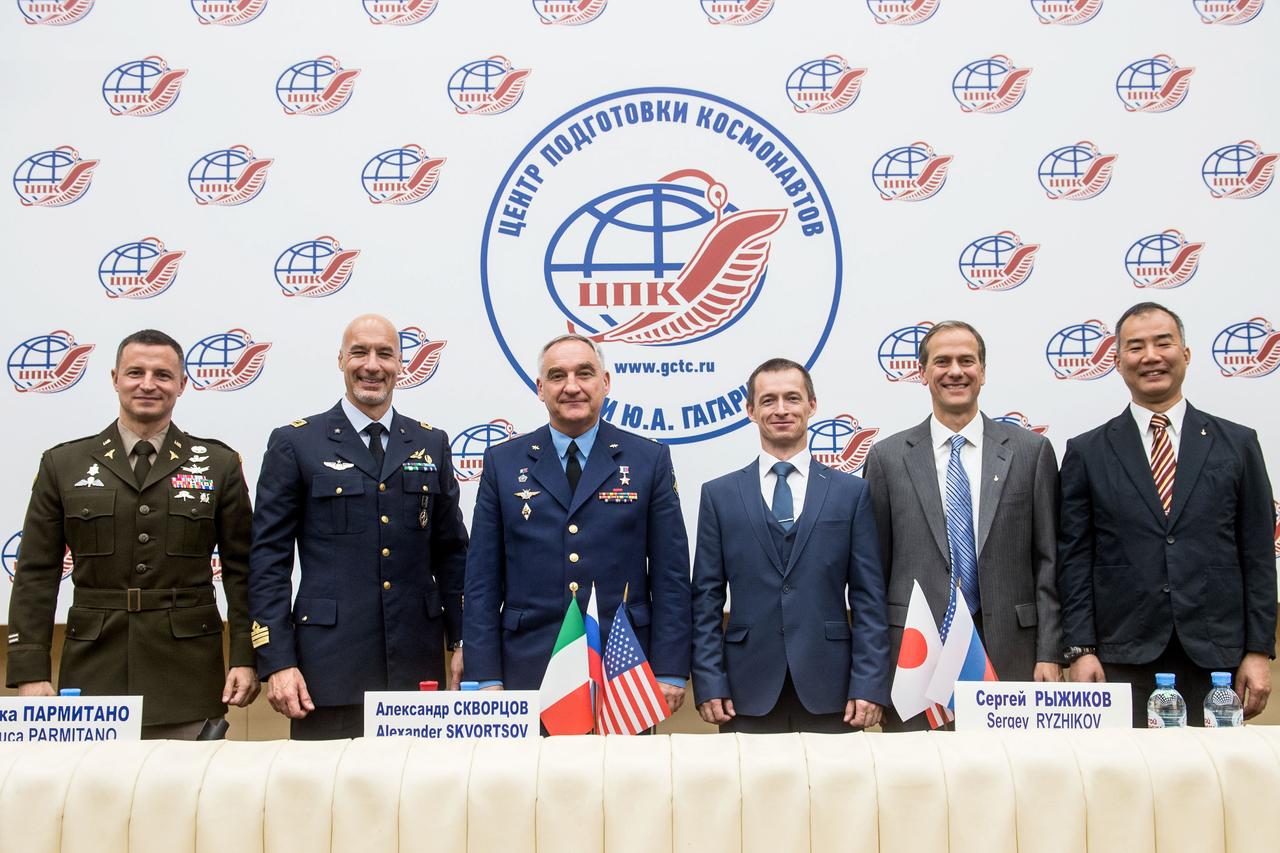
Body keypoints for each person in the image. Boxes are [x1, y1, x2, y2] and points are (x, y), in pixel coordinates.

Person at [5, 329, 257, 738]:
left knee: (185, 779)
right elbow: (36, 573)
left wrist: (246, 656)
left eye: (162, 375)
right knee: (93, 780)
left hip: (187, 671)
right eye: (136, 372)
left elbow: (243, 571)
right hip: (94, 667)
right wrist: (30, 671)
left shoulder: (218, 464)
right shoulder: (64, 464)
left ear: (182, 384)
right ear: (115, 378)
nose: (148, 384)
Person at [249, 314, 469, 739]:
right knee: (325, 784)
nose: (372, 365)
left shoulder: (431, 443)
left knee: (415, 782)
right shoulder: (296, 442)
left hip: (416, 669)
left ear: (400, 364)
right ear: (340, 360)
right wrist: (277, 660)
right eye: (359, 353)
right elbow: (268, 561)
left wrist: (463, 642)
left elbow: (452, 554)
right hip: (326, 672)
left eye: (384, 354)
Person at [1058, 302, 1274, 725]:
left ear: (1186, 354)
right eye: (1136, 347)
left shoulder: (1237, 444)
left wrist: (1258, 650)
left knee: (1214, 768)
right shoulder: (1087, 451)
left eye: (1163, 343)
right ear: (1117, 361)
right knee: (1126, 768)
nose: (1151, 356)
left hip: (1218, 657)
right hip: (1121, 657)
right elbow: (1075, 559)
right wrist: (1081, 650)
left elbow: (1259, 556)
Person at [463, 333, 691, 713]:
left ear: (605, 382)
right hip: (528, 666)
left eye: (584, 373)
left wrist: (670, 668)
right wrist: (486, 675)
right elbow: (482, 580)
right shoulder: (503, 463)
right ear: (540, 388)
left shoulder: (648, 460)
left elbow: (671, 575)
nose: (572, 387)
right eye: (557, 376)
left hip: (624, 666)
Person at [864, 320, 1064, 731]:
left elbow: (1049, 562)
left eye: (966, 361)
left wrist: (1050, 652)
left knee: (1010, 771)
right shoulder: (887, 458)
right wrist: (874, 669)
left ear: (983, 372)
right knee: (921, 770)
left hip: (1014, 654)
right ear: (923, 373)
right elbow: (872, 574)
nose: (955, 371)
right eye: (942, 362)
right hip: (916, 661)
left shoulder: (1031, 452)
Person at [690, 358, 889, 733]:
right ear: (750, 411)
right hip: (745, 690)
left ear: (812, 405)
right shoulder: (719, 495)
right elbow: (705, 599)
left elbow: (869, 598)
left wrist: (868, 683)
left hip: (834, 689)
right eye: (768, 400)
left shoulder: (851, 493)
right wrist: (710, 680)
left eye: (792, 398)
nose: (781, 409)